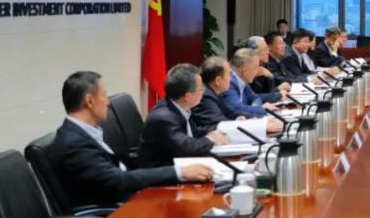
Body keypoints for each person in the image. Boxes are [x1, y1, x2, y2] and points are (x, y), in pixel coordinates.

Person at [47, 71, 213, 206]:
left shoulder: (85, 132)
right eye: (104, 96)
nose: (108, 103)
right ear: (89, 101)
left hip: (130, 197)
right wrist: (179, 172)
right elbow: (117, 180)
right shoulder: (74, 143)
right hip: (113, 214)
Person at [138, 64, 231, 168]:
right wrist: (211, 139)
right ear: (187, 96)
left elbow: (192, 133)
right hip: (163, 172)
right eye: (201, 89)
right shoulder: (163, 118)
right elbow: (187, 149)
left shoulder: (179, 107)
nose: (203, 91)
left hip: (180, 163)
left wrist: (216, 132)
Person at [225, 47, 284, 116]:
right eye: (256, 68)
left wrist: (255, 108)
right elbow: (238, 109)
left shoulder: (243, 80)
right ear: (245, 71)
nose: (257, 72)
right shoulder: (228, 83)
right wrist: (261, 108)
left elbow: (255, 98)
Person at [192, 56, 244, 132]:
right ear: (218, 81)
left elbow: (231, 113)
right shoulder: (204, 96)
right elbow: (220, 125)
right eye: (229, 74)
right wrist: (236, 123)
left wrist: (252, 119)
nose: (231, 78)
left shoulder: (213, 93)